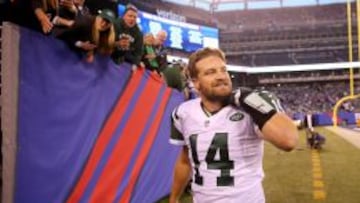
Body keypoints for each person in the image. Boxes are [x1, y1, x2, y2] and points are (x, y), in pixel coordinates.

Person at [169, 47, 298, 203]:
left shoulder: (250, 104)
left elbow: (288, 140)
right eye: (210, 72)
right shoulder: (183, 113)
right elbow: (185, 159)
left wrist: (248, 99)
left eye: (223, 70)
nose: (221, 76)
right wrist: (174, 198)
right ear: (196, 83)